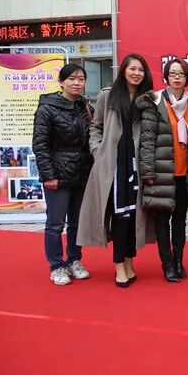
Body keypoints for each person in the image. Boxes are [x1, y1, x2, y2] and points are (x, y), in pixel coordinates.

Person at [77, 54, 155, 288]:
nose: (136, 73)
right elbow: (96, 126)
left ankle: (130, 262)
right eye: (132, 69)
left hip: (137, 166)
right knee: (120, 217)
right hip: (113, 166)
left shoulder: (148, 99)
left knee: (134, 217)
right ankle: (119, 265)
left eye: (141, 69)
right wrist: (98, 151)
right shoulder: (108, 96)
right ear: (123, 71)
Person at [136, 58, 188, 282]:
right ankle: (167, 264)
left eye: (181, 73)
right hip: (161, 173)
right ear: (166, 76)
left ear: (187, 77)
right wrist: (148, 172)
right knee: (162, 222)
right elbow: (147, 139)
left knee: (180, 221)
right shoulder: (154, 102)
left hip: (184, 174)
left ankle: (179, 261)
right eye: (172, 73)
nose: (177, 77)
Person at [33, 64, 94, 285]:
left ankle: (74, 260)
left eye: (81, 79)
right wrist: (48, 176)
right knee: (55, 223)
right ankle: (56, 265)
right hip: (58, 175)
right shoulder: (47, 108)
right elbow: (40, 145)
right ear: (61, 82)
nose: (77, 83)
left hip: (81, 173)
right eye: (71, 79)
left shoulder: (84, 106)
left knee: (77, 223)